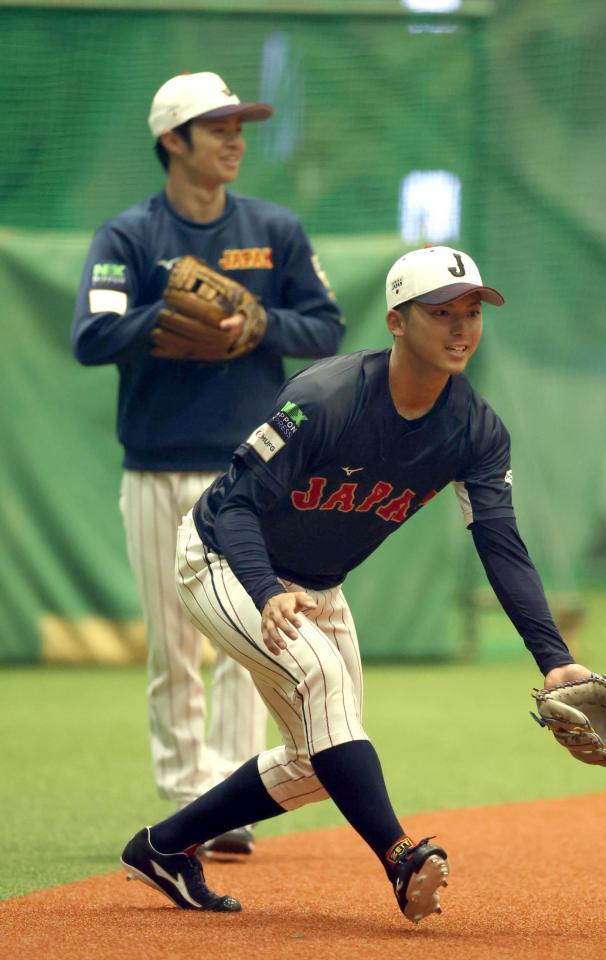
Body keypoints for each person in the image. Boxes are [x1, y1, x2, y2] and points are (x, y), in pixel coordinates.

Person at [120, 245, 592, 924]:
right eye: (440, 314)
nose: (461, 329)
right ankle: (401, 857)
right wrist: (264, 591)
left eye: (471, 313)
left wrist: (554, 659)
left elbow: (500, 543)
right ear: (398, 322)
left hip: (314, 584)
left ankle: (164, 848)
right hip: (224, 557)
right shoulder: (324, 398)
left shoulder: (475, 431)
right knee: (322, 683)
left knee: (319, 759)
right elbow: (237, 507)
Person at [71, 71, 345, 856]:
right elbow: (91, 338)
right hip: (156, 468)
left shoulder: (275, 229)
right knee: (174, 645)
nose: (235, 138)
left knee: (250, 639)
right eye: (216, 126)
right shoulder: (129, 238)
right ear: (172, 140)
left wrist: (259, 321)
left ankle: (227, 798)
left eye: (239, 124)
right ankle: (188, 789)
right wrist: (165, 314)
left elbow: (324, 327)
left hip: (251, 474)